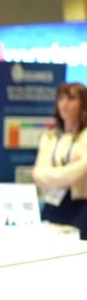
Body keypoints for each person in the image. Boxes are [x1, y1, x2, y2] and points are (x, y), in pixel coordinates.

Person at [32, 82, 87, 239]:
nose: (64, 103)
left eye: (71, 99)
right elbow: (39, 174)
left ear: (83, 103)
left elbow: (78, 172)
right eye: (61, 98)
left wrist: (52, 174)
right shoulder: (50, 136)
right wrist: (71, 169)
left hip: (81, 207)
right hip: (52, 204)